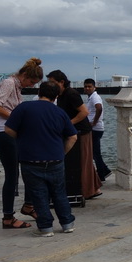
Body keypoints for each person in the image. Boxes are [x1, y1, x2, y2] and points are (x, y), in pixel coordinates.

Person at [5, 81, 78, 237]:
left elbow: (8, 129)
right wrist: (62, 152)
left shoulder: (24, 108)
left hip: (30, 159)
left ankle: (45, 228)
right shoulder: (59, 112)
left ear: (39, 92)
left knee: (38, 194)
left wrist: (22, 138)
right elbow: (72, 136)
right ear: (57, 95)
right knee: (59, 193)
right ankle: (67, 223)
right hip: (55, 159)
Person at [0, 57, 43, 229]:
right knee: (12, 175)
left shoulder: (16, 86)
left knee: (29, 166)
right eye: (31, 81)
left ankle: (28, 205)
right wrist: (15, 119)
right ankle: (8, 217)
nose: (32, 86)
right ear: (25, 75)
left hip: (8, 133)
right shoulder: (9, 83)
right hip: (2, 132)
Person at [47, 70, 102, 200]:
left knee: (82, 160)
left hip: (81, 131)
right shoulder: (60, 95)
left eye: (53, 83)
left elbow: (84, 112)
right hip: (74, 131)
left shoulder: (71, 94)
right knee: (83, 160)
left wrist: (68, 124)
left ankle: (87, 190)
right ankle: (92, 188)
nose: (51, 85)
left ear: (61, 82)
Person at [83, 79, 112, 181]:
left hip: (96, 128)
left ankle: (101, 175)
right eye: (86, 86)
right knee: (94, 152)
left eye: (89, 86)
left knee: (95, 153)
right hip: (95, 128)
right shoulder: (91, 98)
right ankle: (105, 170)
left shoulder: (95, 97)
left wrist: (94, 122)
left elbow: (99, 108)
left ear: (94, 87)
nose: (87, 88)